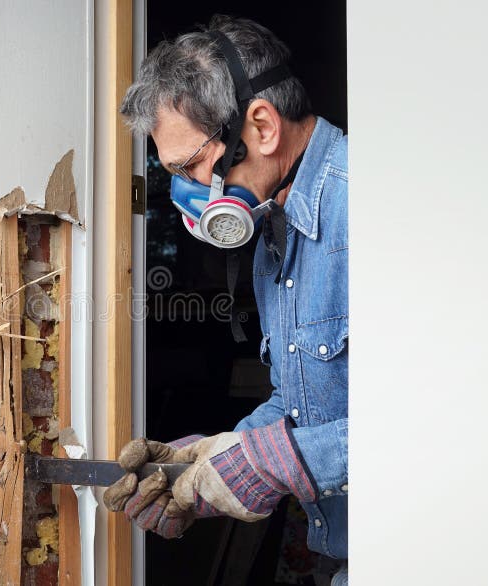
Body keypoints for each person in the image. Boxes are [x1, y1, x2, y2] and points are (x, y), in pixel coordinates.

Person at [103, 14, 348, 584]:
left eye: (189, 166)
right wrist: (212, 463)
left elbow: (441, 421)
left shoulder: (376, 208)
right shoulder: (274, 227)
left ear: (260, 127)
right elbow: (306, 406)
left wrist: (267, 464)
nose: (186, 193)